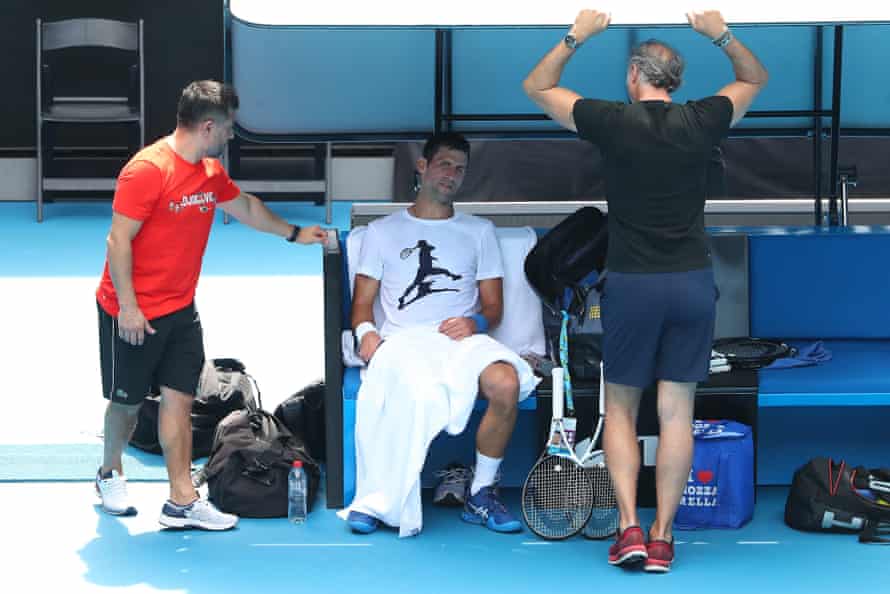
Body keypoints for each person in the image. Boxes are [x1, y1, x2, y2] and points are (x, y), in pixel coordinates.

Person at [523, 9, 767, 572]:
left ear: (636, 75)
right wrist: (721, 34)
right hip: (689, 283)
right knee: (677, 411)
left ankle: (630, 528)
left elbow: (537, 85)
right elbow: (755, 77)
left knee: (622, 410)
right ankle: (663, 536)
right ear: (674, 80)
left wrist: (577, 35)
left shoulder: (611, 120)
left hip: (632, 285)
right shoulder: (703, 118)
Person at [94, 80, 327, 530]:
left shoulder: (209, 173)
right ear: (207, 126)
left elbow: (247, 208)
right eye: (228, 129)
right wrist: (128, 308)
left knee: (179, 402)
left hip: (181, 309)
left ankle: (181, 500)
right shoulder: (147, 170)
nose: (231, 136)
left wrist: (295, 233)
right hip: (131, 311)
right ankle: (109, 473)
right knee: (125, 404)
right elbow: (118, 241)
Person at [341, 132, 538, 537]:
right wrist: (365, 333)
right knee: (401, 390)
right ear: (422, 167)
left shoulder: (479, 231)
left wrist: (476, 323)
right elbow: (362, 304)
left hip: (460, 342)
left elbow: (493, 308)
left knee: (506, 382)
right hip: (404, 341)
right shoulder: (381, 232)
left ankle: (482, 494)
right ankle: (377, 499)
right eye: (445, 164)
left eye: (460, 169)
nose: (452, 175)